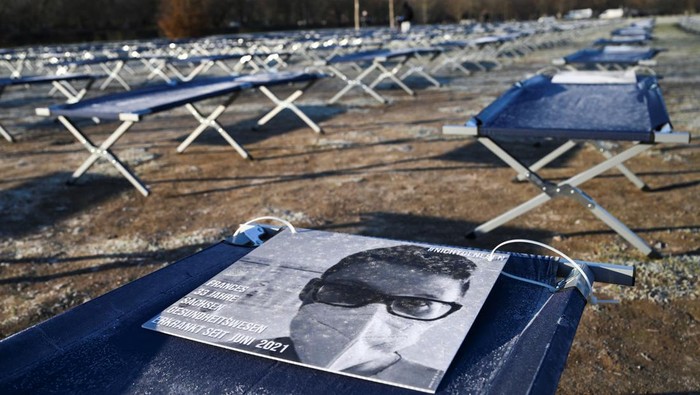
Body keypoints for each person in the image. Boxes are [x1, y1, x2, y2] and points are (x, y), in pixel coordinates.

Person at [248, 245, 476, 386]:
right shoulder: (232, 349)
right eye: (349, 290)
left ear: (444, 316)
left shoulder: (444, 385)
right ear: (308, 291)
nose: (371, 315)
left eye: (414, 303)